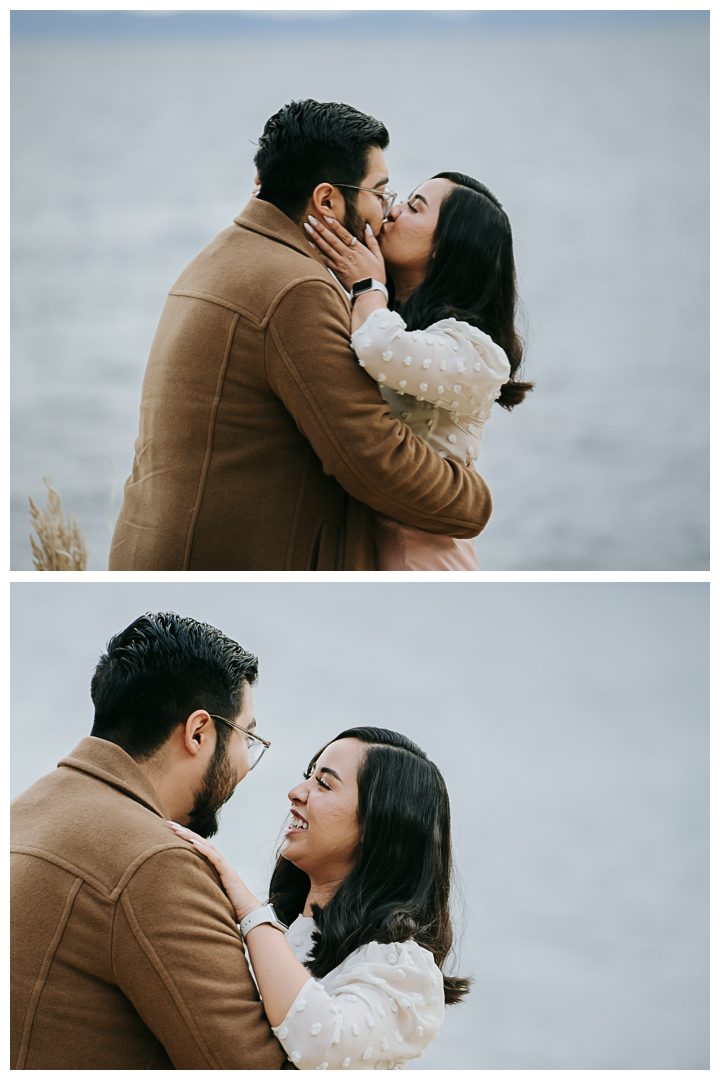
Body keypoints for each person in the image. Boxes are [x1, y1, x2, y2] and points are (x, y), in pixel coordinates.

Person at [108, 100, 493, 571]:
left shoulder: (223, 256)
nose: (385, 212)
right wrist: (475, 498)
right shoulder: (296, 288)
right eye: (380, 193)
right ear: (327, 200)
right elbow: (374, 460)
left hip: (163, 550)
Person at [10, 612, 293, 1070]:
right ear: (198, 732)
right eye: (248, 736)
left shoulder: (23, 812)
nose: (247, 760)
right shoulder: (155, 863)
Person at [168, 727, 469, 1070]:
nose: (295, 793)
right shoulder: (279, 929)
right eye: (307, 777)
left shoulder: (404, 967)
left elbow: (321, 1042)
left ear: (379, 824)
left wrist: (249, 912)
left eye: (324, 784)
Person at [304, 173, 532, 570]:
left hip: (421, 562)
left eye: (413, 207)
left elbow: (380, 348)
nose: (391, 211)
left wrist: (367, 283)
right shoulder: (383, 312)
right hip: (358, 548)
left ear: (447, 248)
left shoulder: (479, 353)